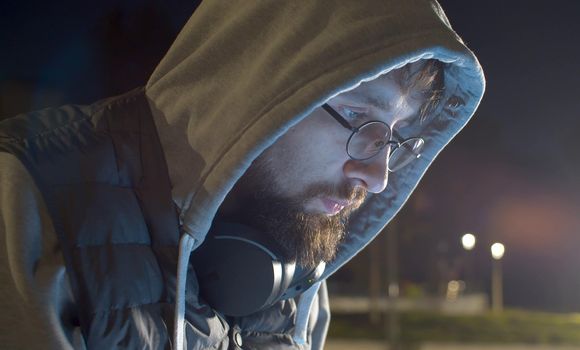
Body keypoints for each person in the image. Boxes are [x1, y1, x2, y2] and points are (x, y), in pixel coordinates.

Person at [0, 0, 485, 349]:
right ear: (260, 87)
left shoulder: (295, 262)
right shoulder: (26, 194)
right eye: (359, 119)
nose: (377, 176)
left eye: (396, 138)